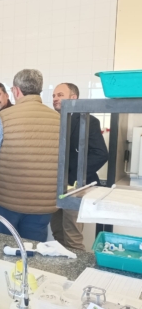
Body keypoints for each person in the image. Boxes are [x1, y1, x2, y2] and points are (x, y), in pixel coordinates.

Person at [0, 69, 60, 242]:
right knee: (33, 253)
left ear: (15, 91)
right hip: (42, 203)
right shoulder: (58, 118)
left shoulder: (5, 117)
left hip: (7, 203)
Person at [51, 83, 108, 250]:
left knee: (72, 237)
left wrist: (73, 176)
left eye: (60, 95)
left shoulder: (88, 120)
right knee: (57, 232)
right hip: (54, 187)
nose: (55, 99)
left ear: (73, 98)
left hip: (75, 188)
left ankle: (76, 275)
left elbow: (101, 154)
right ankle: (61, 271)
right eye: (54, 95)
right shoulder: (53, 121)